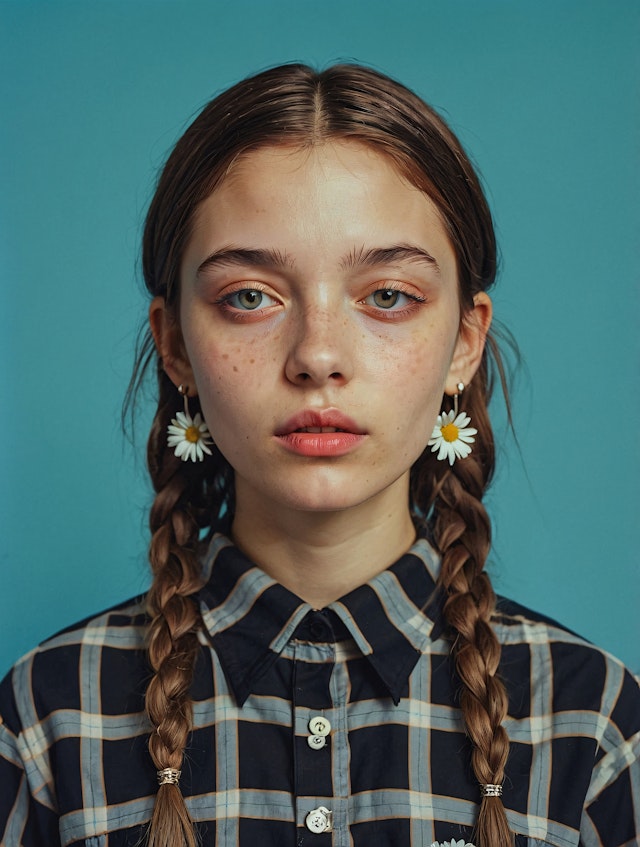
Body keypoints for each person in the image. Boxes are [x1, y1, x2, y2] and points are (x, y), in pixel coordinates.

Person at [0, 63, 638, 847]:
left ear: (464, 343)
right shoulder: (47, 717)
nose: (318, 355)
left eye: (388, 296)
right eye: (250, 296)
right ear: (174, 345)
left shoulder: (592, 719)